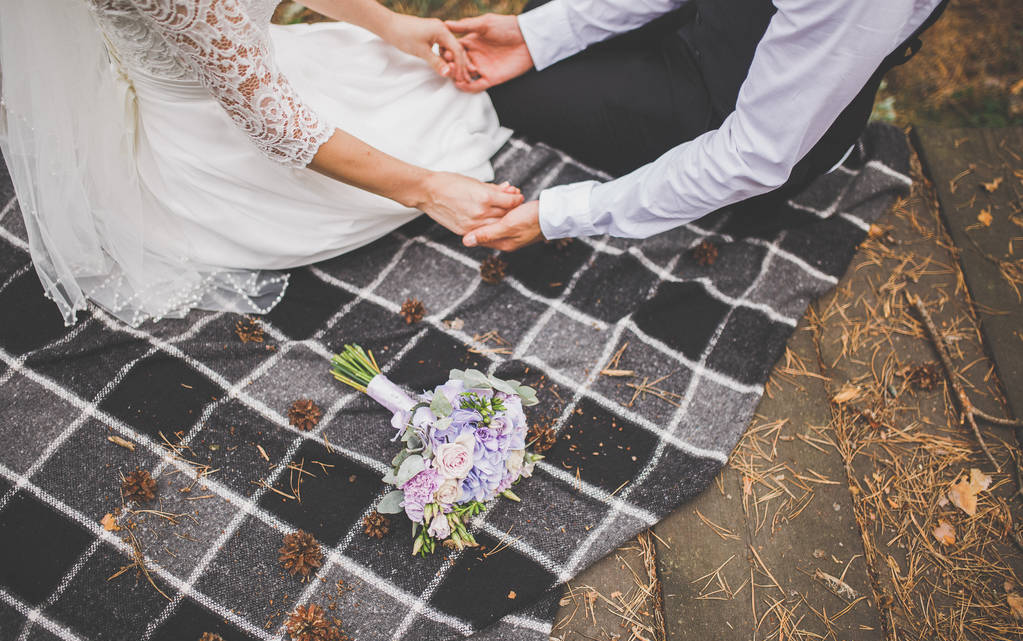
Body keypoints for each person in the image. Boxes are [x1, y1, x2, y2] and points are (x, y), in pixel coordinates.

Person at [0, 0, 521, 326]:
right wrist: (426, 188)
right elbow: (278, 127)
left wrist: (390, 25)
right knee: (437, 149)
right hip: (225, 144)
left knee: (435, 98)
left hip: (274, 70)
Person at [443, 0, 948, 252]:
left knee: (515, 92)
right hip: (703, 23)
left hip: (731, 115)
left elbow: (753, 154)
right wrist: (540, 34)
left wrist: (562, 213)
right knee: (538, 25)